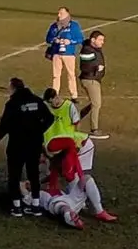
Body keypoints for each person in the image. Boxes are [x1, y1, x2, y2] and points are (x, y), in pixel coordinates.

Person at [41, 87, 118, 222]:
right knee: (76, 176)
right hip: (68, 146)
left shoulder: (67, 107)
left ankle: (95, 208)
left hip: (77, 145)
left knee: (73, 174)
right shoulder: (48, 112)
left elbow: (75, 124)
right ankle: (94, 207)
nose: (52, 103)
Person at [0, 77, 53, 217]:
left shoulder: (12, 103)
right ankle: (36, 205)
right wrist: (39, 130)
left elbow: (4, 125)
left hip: (17, 145)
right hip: (34, 144)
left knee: (15, 175)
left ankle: (17, 206)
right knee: (33, 174)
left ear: (13, 88)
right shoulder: (37, 101)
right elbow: (50, 118)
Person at [45, 6, 85, 101]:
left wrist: (70, 41)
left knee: (71, 74)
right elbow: (48, 39)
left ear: (67, 14)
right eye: (58, 13)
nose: (59, 15)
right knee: (56, 75)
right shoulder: (54, 26)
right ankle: (54, 94)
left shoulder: (74, 26)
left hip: (69, 54)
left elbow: (80, 39)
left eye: (61, 13)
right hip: (56, 54)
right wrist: (55, 40)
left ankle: (74, 95)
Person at [78, 30, 109, 139]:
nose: (102, 42)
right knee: (96, 104)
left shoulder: (94, 49)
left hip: (94, 79)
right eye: (100, 40)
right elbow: (84, 67)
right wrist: (96, 69)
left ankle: (76, 117)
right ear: (93, 40)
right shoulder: (87, 50)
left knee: (95, 103)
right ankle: (94, 130)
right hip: (90, 80)